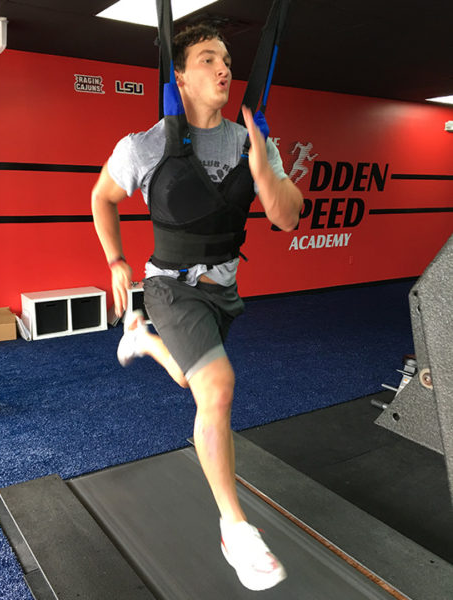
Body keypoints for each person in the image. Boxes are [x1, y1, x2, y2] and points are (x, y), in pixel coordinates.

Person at [91, 23, 303, 591]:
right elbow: (102, 197)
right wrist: (116, 260)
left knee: (193, 380)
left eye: (226, 58)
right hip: (170, 285)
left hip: (223, 293)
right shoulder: (145, 145)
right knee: (217, 386)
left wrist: (263, 169)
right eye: (208, 58)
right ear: (179, 77)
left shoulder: (252, 141)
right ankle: (235, 529)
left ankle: (141, 336)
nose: (223, 67)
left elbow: (286, 217)